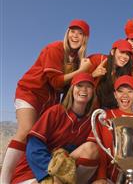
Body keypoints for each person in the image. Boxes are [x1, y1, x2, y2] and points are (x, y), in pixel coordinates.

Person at [1, 19, 91, 184]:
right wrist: (81, 70)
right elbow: (56, 82)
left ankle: (28, 176)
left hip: (49, 101)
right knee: (26, 131)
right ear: (67, 33)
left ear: (85, 38)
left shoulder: (77, 59)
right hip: (31, 91)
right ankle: (4, 180)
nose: (75, 36)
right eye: (73, 31)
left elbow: (72, 86)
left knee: (41, 137)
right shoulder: (55, 48)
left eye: (80, 33)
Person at [10, 72, 98, 184]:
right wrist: (50, 174)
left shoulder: (91, 121)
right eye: (79, 85)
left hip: (64, 173)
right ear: (72, 89)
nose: (84, 89)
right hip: (34, 170)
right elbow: (33, 147)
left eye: (89, 86)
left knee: (91, 148)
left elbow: (89, 153)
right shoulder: (55, 111)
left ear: (93, 92)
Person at [73, 75, 133, 184]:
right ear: (115, 95)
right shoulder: (104, 117)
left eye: (130, 91)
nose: (125, 95)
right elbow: (99, 150)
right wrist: (100, 177)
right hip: (106, 178)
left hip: (132, 178)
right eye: (120, 91)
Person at [87, 39, 133, 109]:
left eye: (127, 54)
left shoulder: (125, 72)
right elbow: (77, 83)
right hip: (89, 108)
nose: (124, 57)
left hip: (110, 111)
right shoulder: (97, 59)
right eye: (122, 52)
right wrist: (93, 75)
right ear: (112, 52)